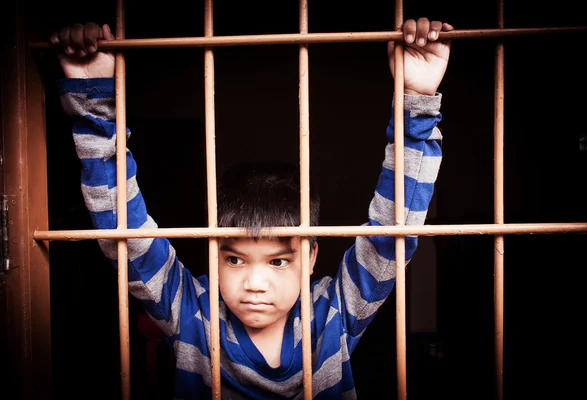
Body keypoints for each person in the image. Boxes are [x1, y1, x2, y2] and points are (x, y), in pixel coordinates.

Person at [50, 17, 452, 399]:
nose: (255, 284)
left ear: (311, 256)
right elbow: (124, 234)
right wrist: (94, 97)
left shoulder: (334, 311)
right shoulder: (191, 310)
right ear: (213, 252)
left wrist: (416, 101)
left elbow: (393, 230)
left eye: (278, 261)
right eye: (235, 260)